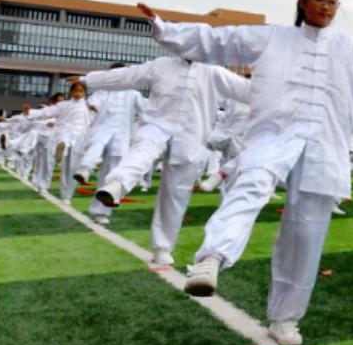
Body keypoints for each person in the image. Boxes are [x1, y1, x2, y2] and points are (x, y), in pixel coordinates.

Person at [142, 0, 353, 345]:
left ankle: (285, 317)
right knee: (250, 185)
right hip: (273, 134)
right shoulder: (273, 37)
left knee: (305, 233)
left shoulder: (349, 48)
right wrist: (166, 28)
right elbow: (218, 40)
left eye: (332, 1)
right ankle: (211, 258)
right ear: (302, 2)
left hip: (324, 145)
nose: (326, 6)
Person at [77, 55, 250, 268]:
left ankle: (162, 247)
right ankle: (117, 185)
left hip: (191, 136)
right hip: (156, 125)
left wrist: (286, 95)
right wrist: (88, 80)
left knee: (176, 194)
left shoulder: (214, 73)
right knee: (142, 151)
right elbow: (128, 75)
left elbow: (247, 90)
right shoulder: (161, 65)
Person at [73, 63, 148, 225]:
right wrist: (91, 106)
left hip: (121, 135)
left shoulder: (133, 94)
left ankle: (100, 211)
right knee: (97, 145)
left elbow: (147, 108)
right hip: (102, 129)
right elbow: (93, 103)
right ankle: (85, 169)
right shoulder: (103, 91)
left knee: (111, 174)